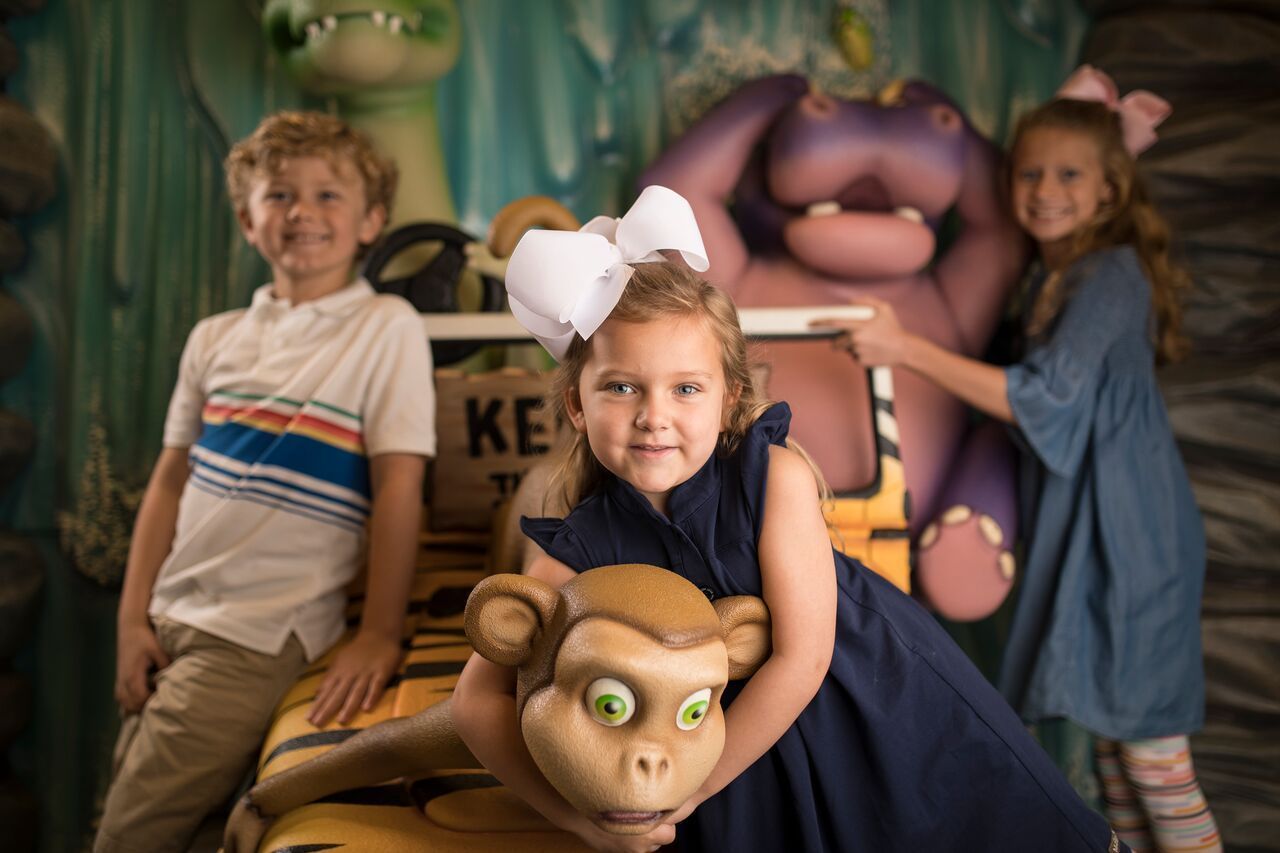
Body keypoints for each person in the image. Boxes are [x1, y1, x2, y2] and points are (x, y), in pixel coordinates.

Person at [450, 185, 1122, 852]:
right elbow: (474, 704)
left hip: (867, 720)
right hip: (717, 763)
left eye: (686, 388)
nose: (654, 415)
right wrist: (576, 820)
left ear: (729, 396)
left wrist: (694, 789)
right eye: (621, 386)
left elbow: (803, 657)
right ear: (576, 405)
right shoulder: (580, 550)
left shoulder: (774, 479)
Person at [827, 67, 1221, 853]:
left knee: (1152, 758)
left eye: (1069, 173)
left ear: (1110, 190)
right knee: (1113, 760)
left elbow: (1042, 399)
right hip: (1090, 531)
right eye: (1028, 172)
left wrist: (906, 346)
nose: (1043, 189)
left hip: (1131, 540)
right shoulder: (1050, 273)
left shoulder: (1110, 274)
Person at [95, 111, 436, 853]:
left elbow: (399, 489)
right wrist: (131, 621)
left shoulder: (386, 327)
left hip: (254, 631)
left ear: (373, 219)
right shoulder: (213, 338)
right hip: (171, 616)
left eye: (329, 195)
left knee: (126, 834)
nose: (303, 212)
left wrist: (379, 632)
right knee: (136, 809)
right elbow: (167, 484)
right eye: (279, 195)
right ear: (248, 221)